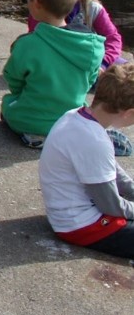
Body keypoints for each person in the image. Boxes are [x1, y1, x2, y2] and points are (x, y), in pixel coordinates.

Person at [38, 64, 134, 260]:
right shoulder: (94, 141)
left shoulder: (76, 116)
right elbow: (112, 206)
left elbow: (111, 171)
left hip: (68, 215)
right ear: (128, 113)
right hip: (82, 226)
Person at [2, 0, 103, 149]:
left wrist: (19, 94)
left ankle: (35, 133)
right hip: (71, 119)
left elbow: (13, 78)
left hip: (33, 118)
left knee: (8, 107)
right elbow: (90, 80)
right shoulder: (93, 46)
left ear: (36, 3)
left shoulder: (28, 44)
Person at [25, 0, 125, 70]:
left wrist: (103, 63)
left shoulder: (92, 9)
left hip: (89, 60)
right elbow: (35, 44)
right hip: (55, 63)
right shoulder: (40, 11)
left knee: (124, 69)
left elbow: (113, 39)